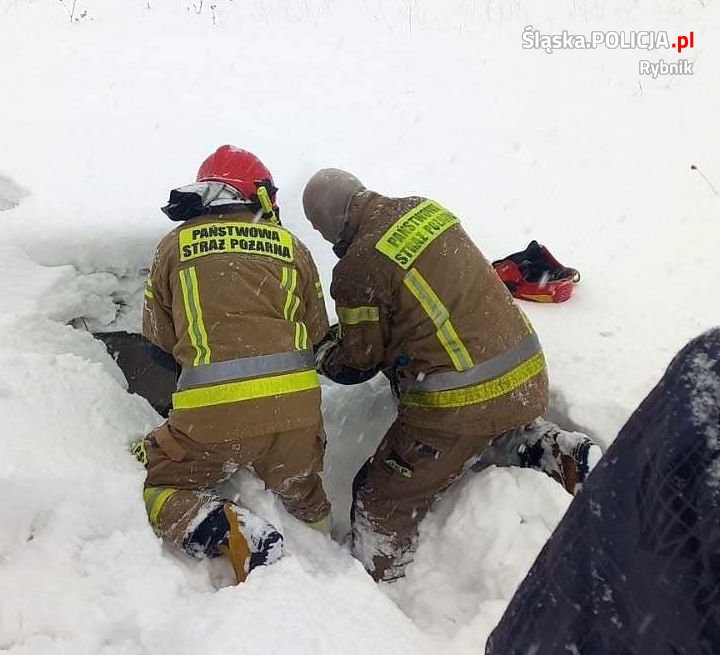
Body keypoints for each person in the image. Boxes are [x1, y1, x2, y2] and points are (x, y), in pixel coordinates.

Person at [302, 169, 601, 582]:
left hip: (459, 404)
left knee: (378, 498)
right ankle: (551, 449)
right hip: (526, 373)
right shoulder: (424, 210)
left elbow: (358, 362)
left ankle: (379, 584)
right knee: (490, 431)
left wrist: (323, 355)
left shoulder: (358, 267)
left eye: (320, 228)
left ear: (329, 221)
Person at [137, 145, 331, 584]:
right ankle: (330, 552)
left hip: (213, 419)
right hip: (297, 418)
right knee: (306, 496)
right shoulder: (292, 247)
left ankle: (228, 529)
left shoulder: (174, 246)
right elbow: (316, 333)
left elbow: (158, 344)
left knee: (155, 487)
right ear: (255, 194)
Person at [486, 328, 720, 654]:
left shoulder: (709, 358)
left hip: (561, 611)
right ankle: (531, 443)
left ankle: (519, 440)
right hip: (514, 368)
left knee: (395, 497)